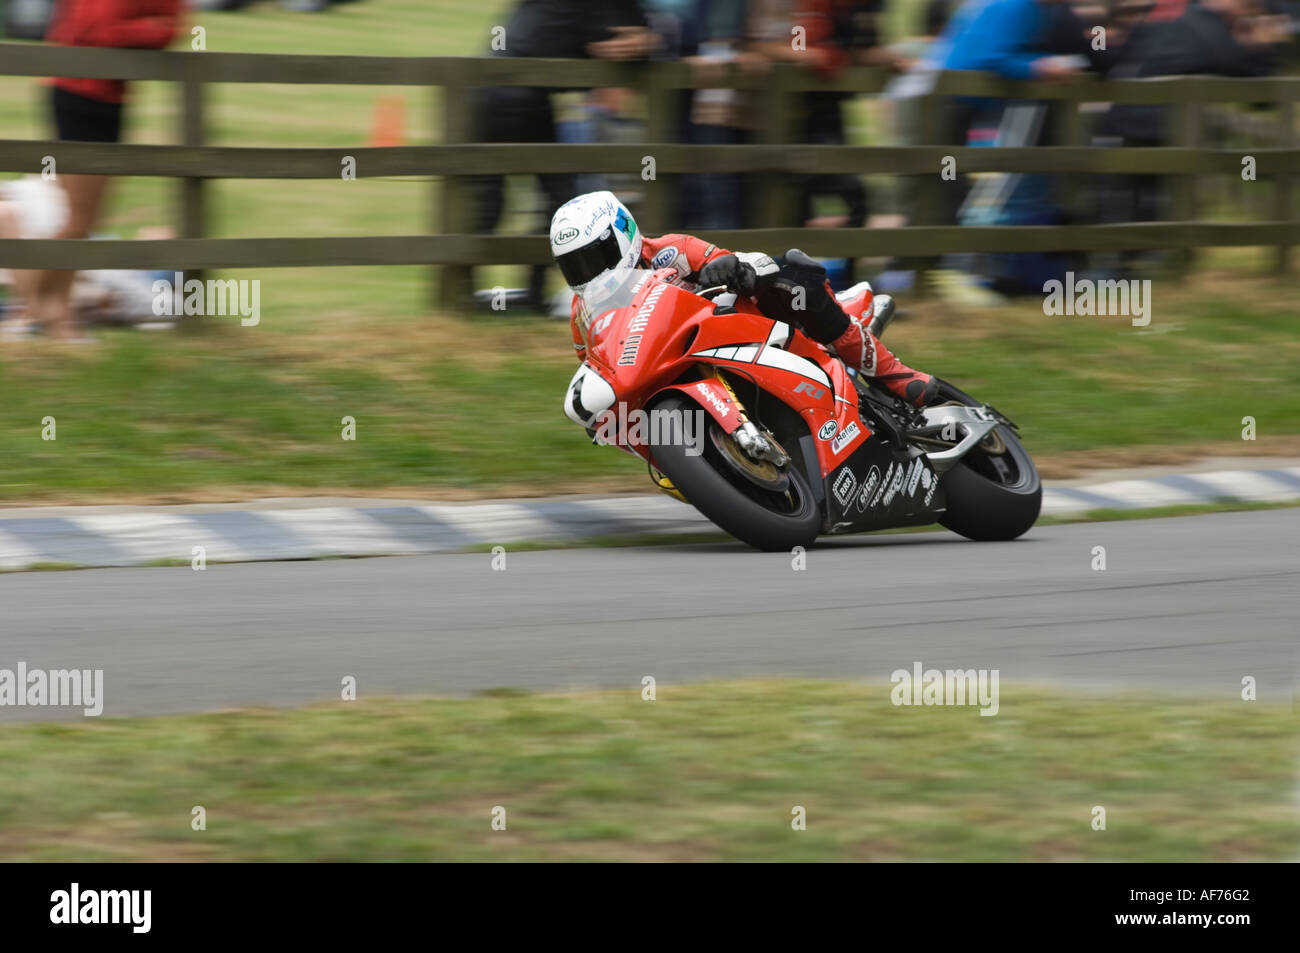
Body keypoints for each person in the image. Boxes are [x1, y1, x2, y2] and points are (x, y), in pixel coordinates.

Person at [550, 191, 937, 406]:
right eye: (574, 267)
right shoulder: (582, 317)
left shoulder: (669, 249)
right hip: (676, 368)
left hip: (744, 329)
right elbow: (596, 366)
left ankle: (894, 375)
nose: (588, 274)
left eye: (593, 259)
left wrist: (724, 267)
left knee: (790, 280)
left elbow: (716, 257)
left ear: (622, 234)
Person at [34, 0, 182, 338]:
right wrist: (148, 27)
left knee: (90, 222)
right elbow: (101, 29)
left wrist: (142, 30)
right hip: (78, 95)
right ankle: (43, 307)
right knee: (79, 222)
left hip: (113, 101)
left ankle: (49, 307)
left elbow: (175, 24)